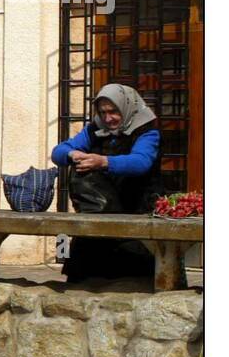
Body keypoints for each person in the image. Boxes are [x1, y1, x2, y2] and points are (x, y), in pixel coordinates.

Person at [51, 84, 162, 282]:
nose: (108, 118)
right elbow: (58, 152)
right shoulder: (95, 129)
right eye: (103, 113)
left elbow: (141, 162)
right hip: (99, 214)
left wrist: (103, 162)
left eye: (113, 112)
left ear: (126, 107)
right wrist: (73, 153)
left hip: (135, 215)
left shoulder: (147, 132)